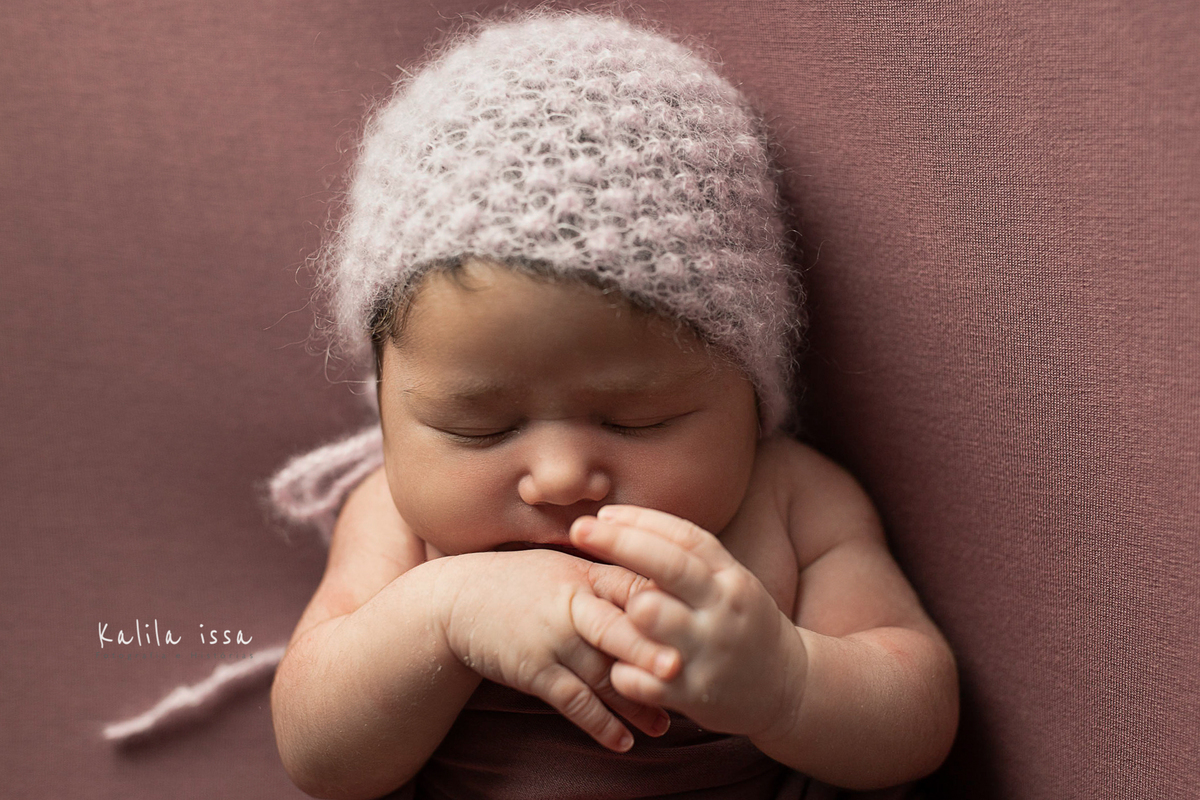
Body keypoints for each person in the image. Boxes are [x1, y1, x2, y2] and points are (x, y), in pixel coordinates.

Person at [267, 11, 958, 800]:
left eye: (638, 420)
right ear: (387, 408)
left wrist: (789, 684)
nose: (562, 476)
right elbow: (317, 757)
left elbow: (920, 717)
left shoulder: (794, 503)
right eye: (480, 426)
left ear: (750, 390)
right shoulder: (395, 526)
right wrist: (443, 616)